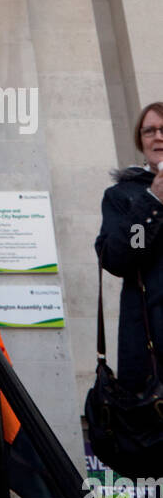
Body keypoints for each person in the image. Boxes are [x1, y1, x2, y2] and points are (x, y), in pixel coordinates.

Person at [95, 101, 163, 390]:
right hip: (151, 343)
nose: (157, 137)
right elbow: (120, 257)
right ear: (140, 141)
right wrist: (152, 201)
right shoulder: (124, 195)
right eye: (149, 131)